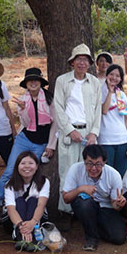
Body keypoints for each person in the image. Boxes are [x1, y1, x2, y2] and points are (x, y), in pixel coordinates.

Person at [0, 68, 57, 218]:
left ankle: (27, 202)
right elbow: (26, 123)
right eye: (29, 80)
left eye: (36, 80)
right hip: (24, 139)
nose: (33, 83)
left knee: (31, 171)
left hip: (41, 142)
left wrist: (51, 145)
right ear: (26, 84)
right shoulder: (23, 100)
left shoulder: (49, 99)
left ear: (40, 82)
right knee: (10, 170)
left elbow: (56, 123)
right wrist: (23, 109)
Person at [54, 43, 102, 213]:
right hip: (69, 134)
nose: (82, 63)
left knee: (89, 171)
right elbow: (58, 108)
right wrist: (69, 130)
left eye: (85, 60)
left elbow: (98, 110)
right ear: (72, 62)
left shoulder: (94, 82)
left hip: (88, 133)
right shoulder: (62, 81)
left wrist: (94, 133)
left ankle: (85, 210)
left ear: (89, 63)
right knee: (67, 172)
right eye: (79, 59)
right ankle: (66, 210)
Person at [62, 145, 126, 251]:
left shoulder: (114, 175)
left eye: (98, 164)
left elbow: (115, 206)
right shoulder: (75, 169)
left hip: (105, 207)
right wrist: (80, 189)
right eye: (89, 163)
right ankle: (91, 238)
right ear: (84, 161)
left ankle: (93, 226)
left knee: (119, 238)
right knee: (85, 204)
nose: (93, 168)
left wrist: (119, 204)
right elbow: (66, 198)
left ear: (104, 163)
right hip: (84, 205)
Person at [4, 151, 50, 251]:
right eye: (23, 163)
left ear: (37, 166)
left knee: (33, 200)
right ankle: (21, 238)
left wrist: (32, 222)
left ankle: (32, 239)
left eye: (31, 163)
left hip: (36, 219)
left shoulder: (43, 182)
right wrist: (22, 226)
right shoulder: (9, 185)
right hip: (16, 221)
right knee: (19, 201)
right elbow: (11, 209)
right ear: (17, 166)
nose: (27, 166)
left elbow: (41, 205)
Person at [99, 64, 127, 176]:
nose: (114, 78)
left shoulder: (121, 94)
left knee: (121, 173)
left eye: (117, 76)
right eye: (111, 74)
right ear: (106, 75)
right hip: (106, 139)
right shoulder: (100, 91)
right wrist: (110, 92)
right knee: (107, 173)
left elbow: (126, 118)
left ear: (121, 79)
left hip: (122, 139)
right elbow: (104, 110)